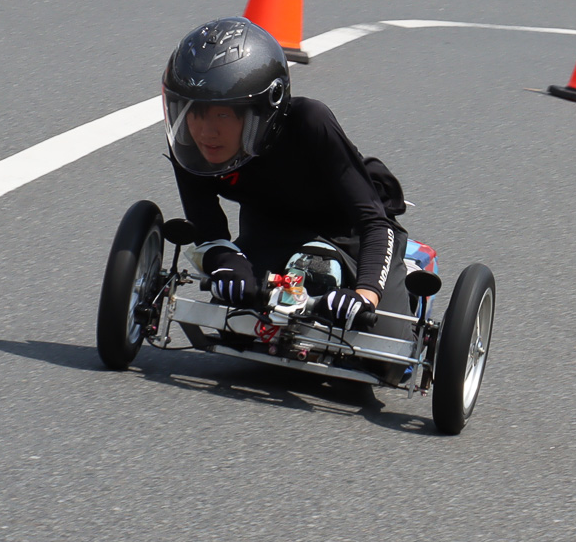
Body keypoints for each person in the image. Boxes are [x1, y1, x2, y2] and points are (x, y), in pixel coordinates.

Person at [165, 18, 409, 331]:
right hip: (271, 226)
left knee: (383, 352)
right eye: (194, 113)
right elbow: (207, 229)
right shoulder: (189, 142)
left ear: (263, 111)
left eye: (222, 114)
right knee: (237, 326)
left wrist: (364, 295)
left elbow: (374, 222)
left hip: (351, 230)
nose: (205, 133)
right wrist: (227, 264)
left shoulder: (310, 122)